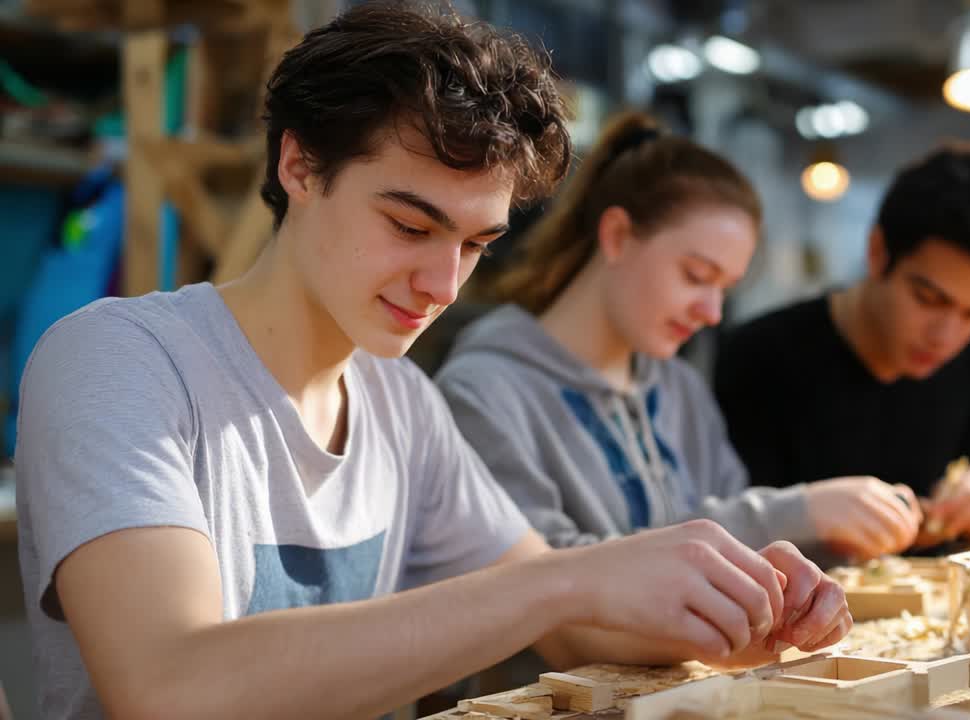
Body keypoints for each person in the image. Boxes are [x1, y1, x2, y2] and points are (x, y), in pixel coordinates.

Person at [15, 6, 850, 719]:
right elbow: (171, 687)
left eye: (476, 244)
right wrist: (567, 580)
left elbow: (572, 626)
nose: (444, 284)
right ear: (299, 164)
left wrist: (734, 611)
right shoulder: (121, 359)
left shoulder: (401, 404)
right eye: (411, 227)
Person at [437, 110, 924, 569]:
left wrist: (834, 532)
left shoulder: (680, 390)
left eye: (724, 289)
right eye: (697, 276)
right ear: (618, 235)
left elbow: (742, 556)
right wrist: (794, 513)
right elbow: (537, 581)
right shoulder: (484, 393)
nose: (712, 313)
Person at [714, 142, 970, 548]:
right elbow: (730, 539)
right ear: (878, 253)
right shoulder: (761, 356)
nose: (946, 336)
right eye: (929, 299)